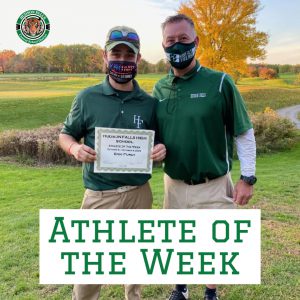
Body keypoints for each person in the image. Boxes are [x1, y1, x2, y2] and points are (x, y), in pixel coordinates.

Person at [153, 14, 257, 300]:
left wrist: (247, 178)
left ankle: (210, 292)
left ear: (196, 41)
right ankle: (181, 288)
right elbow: (157, 135)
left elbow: (243, 133)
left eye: (183, 39)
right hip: (173, 183)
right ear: (163, 45)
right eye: (170, 41)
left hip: (213, 182)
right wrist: (155, 148)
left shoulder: (221, 83)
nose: (176, 46)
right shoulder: (159, 88)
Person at [59, 25, 166, 300]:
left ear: (138, 60)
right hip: (99, 195)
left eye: (128, 56)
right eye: (115, 54)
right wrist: (74, 149)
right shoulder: (87, 98)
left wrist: (160, 150)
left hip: (139, 194)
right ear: (104, 58)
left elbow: (160, 141)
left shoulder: (149, 103)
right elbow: (66, 134)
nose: (122, 61)